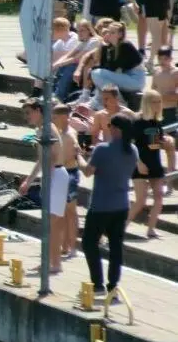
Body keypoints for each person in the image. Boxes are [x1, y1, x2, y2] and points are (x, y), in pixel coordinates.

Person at [82, 115, 138, 303]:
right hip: (121, 205)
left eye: (109, 126)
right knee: (116, 247)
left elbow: (88, 172)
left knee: (89, 242)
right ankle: (113, 285)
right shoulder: (133, 151)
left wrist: (79, 156)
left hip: (101, 205)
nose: (107, 128)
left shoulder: (102, 149)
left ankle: (97, 283)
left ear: (116, 129)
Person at [20, 98, 70, 274]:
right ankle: (50, 262)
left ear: (38, 111)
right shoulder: (41, 129)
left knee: (52, 224)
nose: (26, 117)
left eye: (28, 113)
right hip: (53, 175)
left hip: (56, 175)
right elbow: (42, 160)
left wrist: (42, 178)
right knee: (51, 224)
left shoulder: (48, 129)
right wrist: (29, 180)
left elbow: (54, 156)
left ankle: (54, 264)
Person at [128, 90, 168, 237]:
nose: (158, 105)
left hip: (155, 163)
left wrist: (164, 143)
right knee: (140, 201)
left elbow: (154, 144)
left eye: (159, 102)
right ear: (147, 103)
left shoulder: (157, 121)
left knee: (159, 196)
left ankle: (151, 228)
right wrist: (138, 163)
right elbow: (130, 145)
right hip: (140, 164)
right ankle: (121, 227)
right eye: (154, 102)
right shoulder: (137, 122)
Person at [52, 104, 84, 259]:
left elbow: (75, 149)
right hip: (59, 172)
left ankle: (73, 246)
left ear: (63, 117)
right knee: (62, 211)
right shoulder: (56, 133)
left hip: (70, 173)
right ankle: (64, 245)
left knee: (71, 211)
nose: (52, 119)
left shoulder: (70, 134)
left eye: (55, 116)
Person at [89, 22, 145, 109]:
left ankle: (119, 103)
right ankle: (99, 100)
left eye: (112, 32)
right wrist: (103, 47)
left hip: (135, 80)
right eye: (108, 32)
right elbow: (104, 66)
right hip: (126, 77)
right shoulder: (111, 47)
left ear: (120, 34)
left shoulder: (125, 45)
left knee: (96, 73)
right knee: (96, 73)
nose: (109, 35)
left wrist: (106, 48)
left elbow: (113, 68)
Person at [153, 47, 178, 127]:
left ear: (171, 59)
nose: (162, 61)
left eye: (165, 58)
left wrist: (161, 98)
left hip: (170, 110)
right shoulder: (156, 71)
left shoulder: (175, 73)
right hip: (157, 110)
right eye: (160, 58)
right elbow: (153, 89)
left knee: (170, 135)